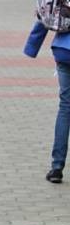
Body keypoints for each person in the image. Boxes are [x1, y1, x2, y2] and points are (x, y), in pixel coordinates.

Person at [24, 13, 70, 184]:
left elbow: (46, 12)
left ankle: (57, 167)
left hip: (64, 49)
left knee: (65, 107)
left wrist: (31, 47)